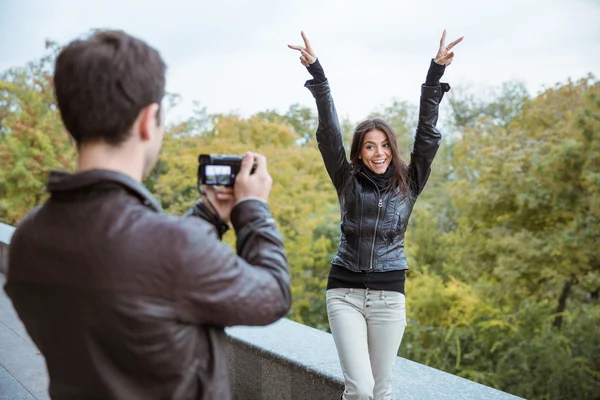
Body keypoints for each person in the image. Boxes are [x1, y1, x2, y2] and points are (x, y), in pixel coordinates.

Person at [4, 30, 291, 400]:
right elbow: (273, 293)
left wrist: (208, 214)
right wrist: (253, 209)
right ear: (147, 119)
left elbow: (144, 270)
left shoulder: (29, 237)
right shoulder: (172, 247)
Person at [288, 30, 463, 400]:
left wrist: (435, 76)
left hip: (388, 294)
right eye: (370, 146)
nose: (378, 153)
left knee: (380, 391)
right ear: (360, 151)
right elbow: (328, 132)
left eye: (384, 145)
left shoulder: (410, 181)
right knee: (360, 388)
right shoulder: (345, 178)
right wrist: (319, 77)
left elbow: (427, 134)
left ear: (392, 148)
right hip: (344, 292)